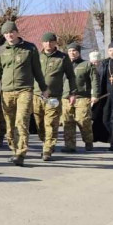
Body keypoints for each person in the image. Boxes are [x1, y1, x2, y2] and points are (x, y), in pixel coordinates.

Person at [0, 21, 48, 167]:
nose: (9, 35)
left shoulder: (29, 48)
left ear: (17, 32)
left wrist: (44, 88)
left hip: (24, 90)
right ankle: (15, 149)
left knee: (21, 121)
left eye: (11, 32)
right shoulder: (0, 51)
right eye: (6, 33)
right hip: (6, 92)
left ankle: (21, 153)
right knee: (10, 125)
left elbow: (37, 70)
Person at [33, 32, 77, 162]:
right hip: (37, 95)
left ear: (55, 43)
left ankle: (47, 150)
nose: (48, 44)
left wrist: (72, 93)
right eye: (46, 42)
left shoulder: (62, 58)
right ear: (42, 43)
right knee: (39, 123)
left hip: (54, 97)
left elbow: (71, 76)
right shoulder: (36, 56)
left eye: (51, 41)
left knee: (51, 123)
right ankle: (45, 141)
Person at [62, 43, 98, 153]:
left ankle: (88, 142)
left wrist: (95, 95)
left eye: (74, 51)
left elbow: (94, 80)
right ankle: (70, 145)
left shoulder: (87, 64)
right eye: (70, 51)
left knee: (83, 120)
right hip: (66, 97)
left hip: (82, 97)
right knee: (67, 122)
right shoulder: (63, 64)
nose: (72, 53)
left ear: (78, 52)